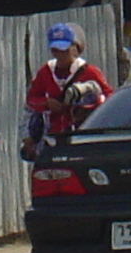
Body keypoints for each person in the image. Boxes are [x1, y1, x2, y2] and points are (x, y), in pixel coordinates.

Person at [23, 23, 110, 160]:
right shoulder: (45, 72)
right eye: (56, 50)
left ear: (73, 47)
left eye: (65, 50)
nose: (61, 55)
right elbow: (31, 100)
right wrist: (47, 103)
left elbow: (109, 98)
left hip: (83, 136)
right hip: (54, 136)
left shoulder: (88, 71)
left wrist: (87, 104)